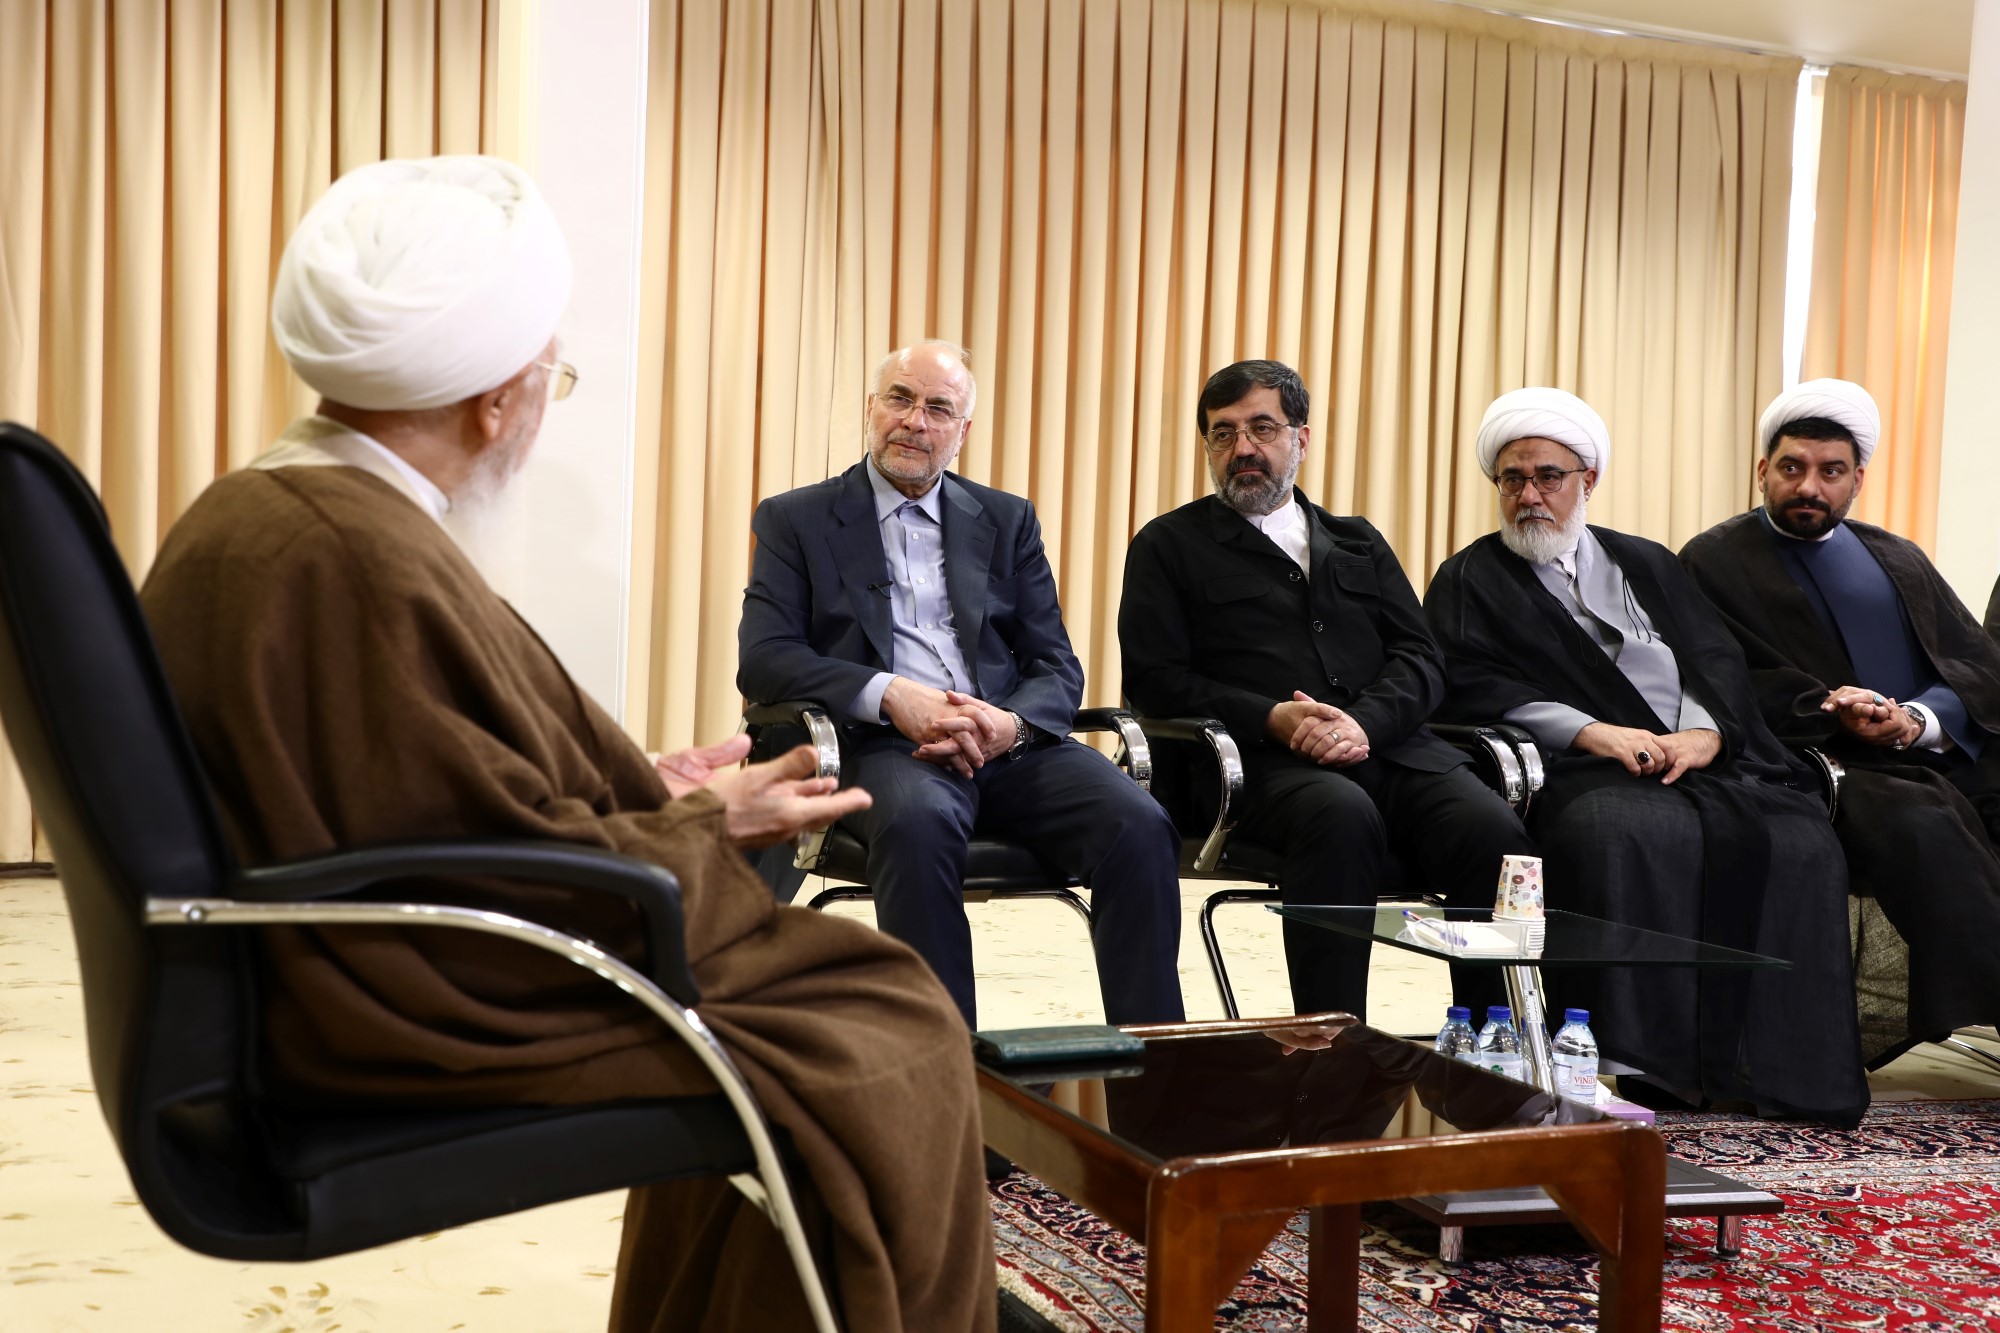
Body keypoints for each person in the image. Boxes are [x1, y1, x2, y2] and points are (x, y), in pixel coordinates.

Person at [138, 157, 996, 1333]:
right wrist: (704, 825)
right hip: (416, 997)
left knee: (844, 1005)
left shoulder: (290, 507)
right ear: (497, 399)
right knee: (890, 1023)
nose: (546, 406)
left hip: (357, 955)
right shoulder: (351, 557)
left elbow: (421, 785)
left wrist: (643, 789)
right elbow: (460, 860)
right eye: (555, 375)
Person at [1423, 386, 1867, 1126]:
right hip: (1580, 767)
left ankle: (1772, 1066)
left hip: (1699, 759)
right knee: (1617, 829)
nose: (1530, 496)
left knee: (1800, 837)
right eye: (1513, 479)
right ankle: (1633, 1060)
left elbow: (1715, 659)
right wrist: (1591, 731)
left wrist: (1707, 734)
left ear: (1588, 480)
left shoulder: (1648, 561)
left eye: (1549, 477)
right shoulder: (1471, 578)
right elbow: (1469, 685)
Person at [736, 340, 1185, 1029]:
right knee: (918, 825)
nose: (915, 421)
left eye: (938, 408)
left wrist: (1010, 725)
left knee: (1141, 824)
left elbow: (1056, 664)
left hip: (1005, 743)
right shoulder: (796, 518)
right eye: (900, 398)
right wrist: (891, 693)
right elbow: (765, 659)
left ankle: (1159, 1060)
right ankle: (950, 1065)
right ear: (872, 407)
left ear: (962, 430)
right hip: (883, 744)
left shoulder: (1006, 519)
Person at [1118, 359, 1531, 1022]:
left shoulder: (1357, 540)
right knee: (1338, 815)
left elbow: (1422, 658)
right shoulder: (1168, 544)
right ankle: (1334, 1043)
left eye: (1262, 428)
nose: (1243, 447)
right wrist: (1273, 718)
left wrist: (1364, 723)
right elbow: (1154, 679)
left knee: (1492, 829)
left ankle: (1491, 1041)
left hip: (1390, 751)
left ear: (1301, 439)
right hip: (1255, 766)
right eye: (1223, 433)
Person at [1681, 378, 2000, 1063]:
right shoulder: (1713, 560)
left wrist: (1916, 719)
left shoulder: (1896, 555)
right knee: (1922, 825)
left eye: (1831, 472)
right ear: (1762, 470)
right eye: (1792, 468)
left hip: (1928, 749)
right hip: (1821, 762)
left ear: (1858, 479)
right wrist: (1838, 712)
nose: (1809, 487)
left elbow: (1975, 661)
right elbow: (1723, 676)